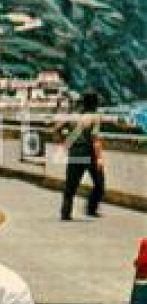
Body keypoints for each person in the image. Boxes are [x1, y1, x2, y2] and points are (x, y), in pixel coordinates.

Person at [56, 91, 105, 221]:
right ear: (94, 103)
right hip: (90, 154)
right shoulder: (95, 117)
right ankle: (91, 209)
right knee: (99, 183)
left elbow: (57, 128)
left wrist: (65, 141)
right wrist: (99, 158)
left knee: (70, 186)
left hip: (75, 153)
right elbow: (95, 140)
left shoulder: (73, 115)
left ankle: (65, 213)